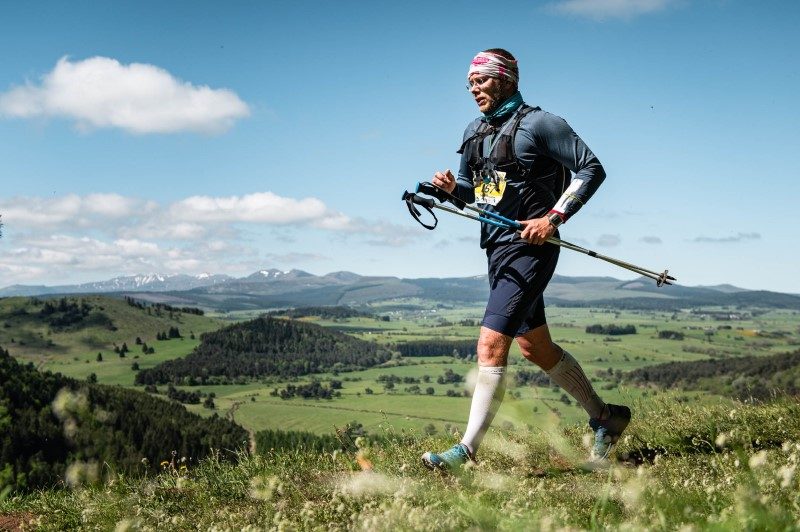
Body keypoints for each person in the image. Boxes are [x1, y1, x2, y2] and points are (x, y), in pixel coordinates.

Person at [421, 49, 630, 471]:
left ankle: (466, 453)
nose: (473, 89)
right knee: (535, 348)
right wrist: (448, 191)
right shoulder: (474, 129)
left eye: (480, 81)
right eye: (469, 83)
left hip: (532, 250)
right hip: (496, 248)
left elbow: (591, 169)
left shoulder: (542, 124)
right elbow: (473, 192)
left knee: (491, 343)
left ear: (506, 79)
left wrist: (553, 218)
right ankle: (607, 417)